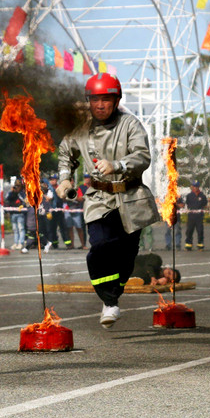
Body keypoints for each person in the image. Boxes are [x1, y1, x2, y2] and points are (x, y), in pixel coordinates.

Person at [56, 73, 161, 328]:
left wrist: (117, 165)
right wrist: (65, 179)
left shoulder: (130, 124)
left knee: (126, 256)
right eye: (95, 100)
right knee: (100, 247)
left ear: (116, 101)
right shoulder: (80, 128)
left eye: (106, 100)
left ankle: (113, 295)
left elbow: (143, 156)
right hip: (99, 199)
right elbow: (65, 153)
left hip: (131, 198)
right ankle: (109, 301)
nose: (100, 105)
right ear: (88, 101)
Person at [183, 181, 208, 251]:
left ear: (198, 187)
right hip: (191, 216)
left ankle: (200, 245)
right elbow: (187, 205)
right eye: (194, 186)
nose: (195, 188)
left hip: (199, 217)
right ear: (192, 187)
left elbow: (205, 205)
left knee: (200, 231)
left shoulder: (202, 196)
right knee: (189, 231)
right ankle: (188, 245)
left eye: (196, 186)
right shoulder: (189, 196)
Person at [46, 175, 68, 249]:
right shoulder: (48, 189)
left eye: (54, 179)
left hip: (59, 211)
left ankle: (68, 244)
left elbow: (65, 199)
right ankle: (55, 244)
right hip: (51, 211)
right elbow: (47, 199)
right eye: (51, 179)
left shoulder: (60, 188)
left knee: (63, 228)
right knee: (52, 228)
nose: (53, 181)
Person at [5, 179, 27, 249]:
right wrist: (12, 191)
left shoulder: (22, 193)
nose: (17, 187)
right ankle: (16, 242)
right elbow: (7, 198)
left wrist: (18, 192)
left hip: (20, 213)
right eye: (16, 186)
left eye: (18, 186)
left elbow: (25, 200)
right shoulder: (12, 193)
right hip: (13, 213)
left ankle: (21, 243)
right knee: (15, 229)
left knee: (21, 229)